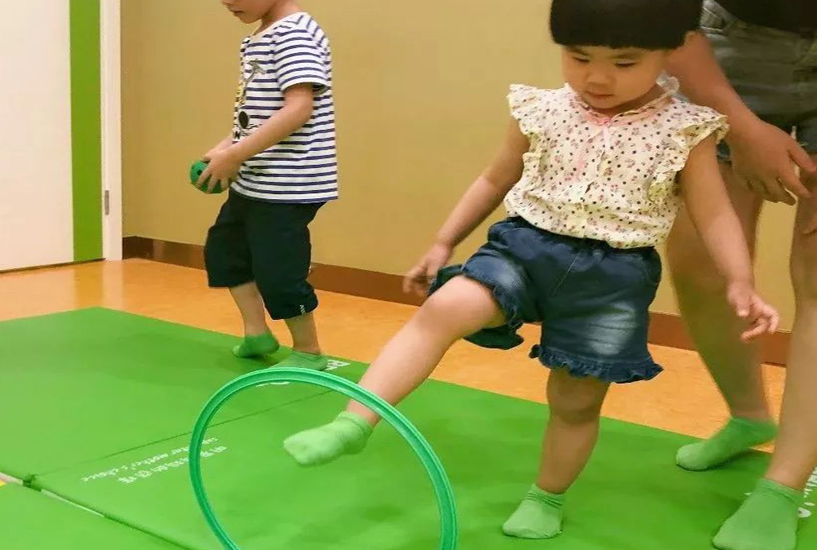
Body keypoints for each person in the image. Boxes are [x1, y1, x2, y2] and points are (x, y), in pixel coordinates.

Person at [282, 0, 779, 540]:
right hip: (524, 247)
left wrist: (739, 280)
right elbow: (494, 179)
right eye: (579, 57)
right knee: (445, 307)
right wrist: (443, 241)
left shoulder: (686, 130)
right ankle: (354, 421)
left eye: (624, 62)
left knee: (576, 400)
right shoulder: (541, 108)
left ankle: (547, 496)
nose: (597, 78)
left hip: (612, 277)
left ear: (672, 52)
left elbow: (714, 213)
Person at [665, 1, 817, 548]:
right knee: (702, 262)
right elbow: (667, 17)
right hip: (733, 43)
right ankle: (749, 416)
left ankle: (784, 485)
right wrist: (743, 126)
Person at [198, 0, 337, 370]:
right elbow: (260, 116)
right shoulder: (262, 35)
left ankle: (309, 350)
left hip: (288, 183)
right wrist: (227, 147)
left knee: (279, 270)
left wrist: (236, 154)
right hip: (255, 178)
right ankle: (256, 332)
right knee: (226, 252)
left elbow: (298, 109)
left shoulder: (294, 34)